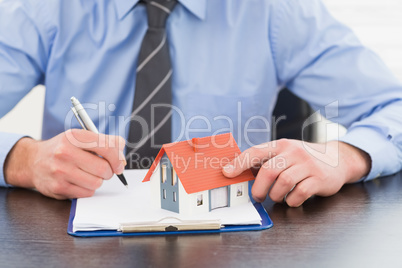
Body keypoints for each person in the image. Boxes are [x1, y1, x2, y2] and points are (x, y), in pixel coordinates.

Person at [0, 0, 401, 206]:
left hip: (229, 237)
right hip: (74, 239)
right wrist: (23, 159)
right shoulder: (45, 8)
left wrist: (344, 156)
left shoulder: (274, 11)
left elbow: (392, 106)